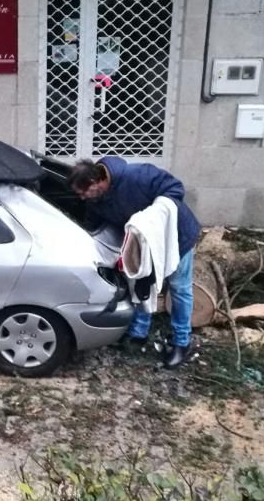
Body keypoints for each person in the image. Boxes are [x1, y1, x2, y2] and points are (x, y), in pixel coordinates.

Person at [69, 157, 201, 368]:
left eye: (84, 191)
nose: (83, 198)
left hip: (177, 237)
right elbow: (93, 226)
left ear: (97, 181)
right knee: (141, 282)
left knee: (179, 289)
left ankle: (181, 342)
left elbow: (175, 188)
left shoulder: (138, 176)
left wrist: (153, 218)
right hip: (142, 243)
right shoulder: (96, 201)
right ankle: (139, 333)